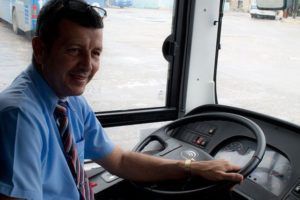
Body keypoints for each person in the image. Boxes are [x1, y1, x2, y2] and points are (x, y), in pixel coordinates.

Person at [0, 0, 243, 199]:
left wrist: (191, 168)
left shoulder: (68, 99)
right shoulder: (20, 116)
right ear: (40, 50)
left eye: (95, 53)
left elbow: (119, 160)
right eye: (74, 50)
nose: (87, 65)